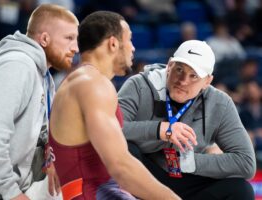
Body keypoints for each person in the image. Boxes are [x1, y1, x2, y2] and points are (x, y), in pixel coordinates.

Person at [49, 11, 180, 200]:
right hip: (94, 193)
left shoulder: (77, 82)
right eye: (130, 40)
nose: (133, 48)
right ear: (113, 43)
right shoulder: (93, 84)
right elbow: (121, 166)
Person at [0, 4, 79, 200]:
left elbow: (36, 132)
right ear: (44, 39)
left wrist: (48, 158)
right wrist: (12, 192)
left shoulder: (42, 74)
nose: (75, 47)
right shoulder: (17, 67)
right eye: (68, 38)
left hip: (3, 188)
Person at [118, 40, 256, 200]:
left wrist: (188, 162)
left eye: (194, 76)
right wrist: (159, 130)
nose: (183, 81)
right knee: (125, 148)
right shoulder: (140, 85)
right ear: (169, 66)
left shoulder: (220, 103)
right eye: (179, 70)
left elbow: (246, 163)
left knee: (241, 190)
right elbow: (110, 129)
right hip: (143, 173)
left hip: (186, 176)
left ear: (207, 81)